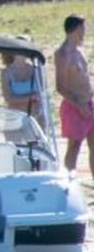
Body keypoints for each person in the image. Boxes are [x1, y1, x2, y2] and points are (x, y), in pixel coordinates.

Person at [54, 14, 94, 176]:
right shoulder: (63, 54)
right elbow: (60, 86)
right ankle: (69, 182)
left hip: (89, 103)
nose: (84, 32)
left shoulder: (79, 51)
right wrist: (79, 105)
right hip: (74, 107)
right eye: (82, 28)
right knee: (74, 147)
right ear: (75, 30)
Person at [0, 50, 41, 118]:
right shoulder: (6, 73)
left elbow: (42, 95)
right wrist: (32, 98)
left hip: (36, 116)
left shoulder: (36, 70)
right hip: (15, 117)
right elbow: (8, 99)